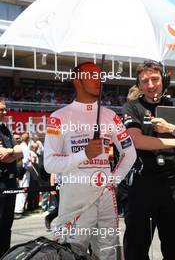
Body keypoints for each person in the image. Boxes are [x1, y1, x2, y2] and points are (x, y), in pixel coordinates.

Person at [44, 62, 136, 260]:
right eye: (92, 75)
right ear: (77, 80)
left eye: (100, 76)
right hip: (75, 200)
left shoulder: (111, 116)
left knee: (108, 252)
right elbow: (50, 163)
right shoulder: (58, 117)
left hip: (105, 198)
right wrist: (84, 155)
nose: (98, 80)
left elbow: (130, 153)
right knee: (70, 253)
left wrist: (113, 180)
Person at [122, 61, 175, 260]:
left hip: (173, 185)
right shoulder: (132, 107)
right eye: (145, 81)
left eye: (155, 79)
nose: (151, 85)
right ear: (139, 84)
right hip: (143, 184)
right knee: (136, 246)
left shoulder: (174, 105)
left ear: (165, 80)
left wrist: (171, 128)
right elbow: (137, 140)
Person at [0, 97, 23, 257]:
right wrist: (12, 152)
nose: (4, 111)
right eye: (1, 109)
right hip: (0, 184)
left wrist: (10, 152)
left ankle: (5, 254)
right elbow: (2, 156)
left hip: (10, 183)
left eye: (5, 108)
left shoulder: (5, 130)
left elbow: (20, 151)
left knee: (7, 225)